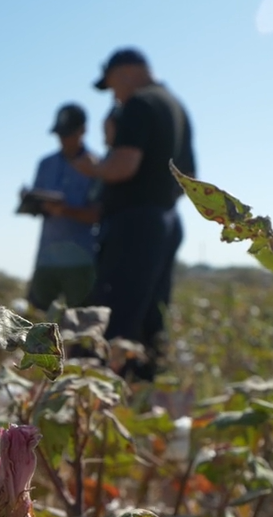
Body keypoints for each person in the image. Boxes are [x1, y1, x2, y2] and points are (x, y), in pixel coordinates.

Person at [71, 48, 196, 380]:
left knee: (113, 313)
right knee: (150, 312)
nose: (114, 95)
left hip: (135, 223)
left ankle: (96, 388)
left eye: (112, 85)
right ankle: (143, 385)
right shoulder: (175, 105)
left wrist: (93, 167)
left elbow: (124, 165)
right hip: (165, 219)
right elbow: (190, 175)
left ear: (126, 72)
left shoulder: (139, 105)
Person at [21, 103, 101, 311]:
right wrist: (30, 202)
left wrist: (65, 210)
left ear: (83, 130)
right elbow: (36, 210)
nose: (63, 140)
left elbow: (98, 214)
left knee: (82, 332)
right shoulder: (45, 164)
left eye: (68, 134)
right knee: (34, 324)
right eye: (60, 134)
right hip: (46, 259)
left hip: (81, 262)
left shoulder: (97, 166)